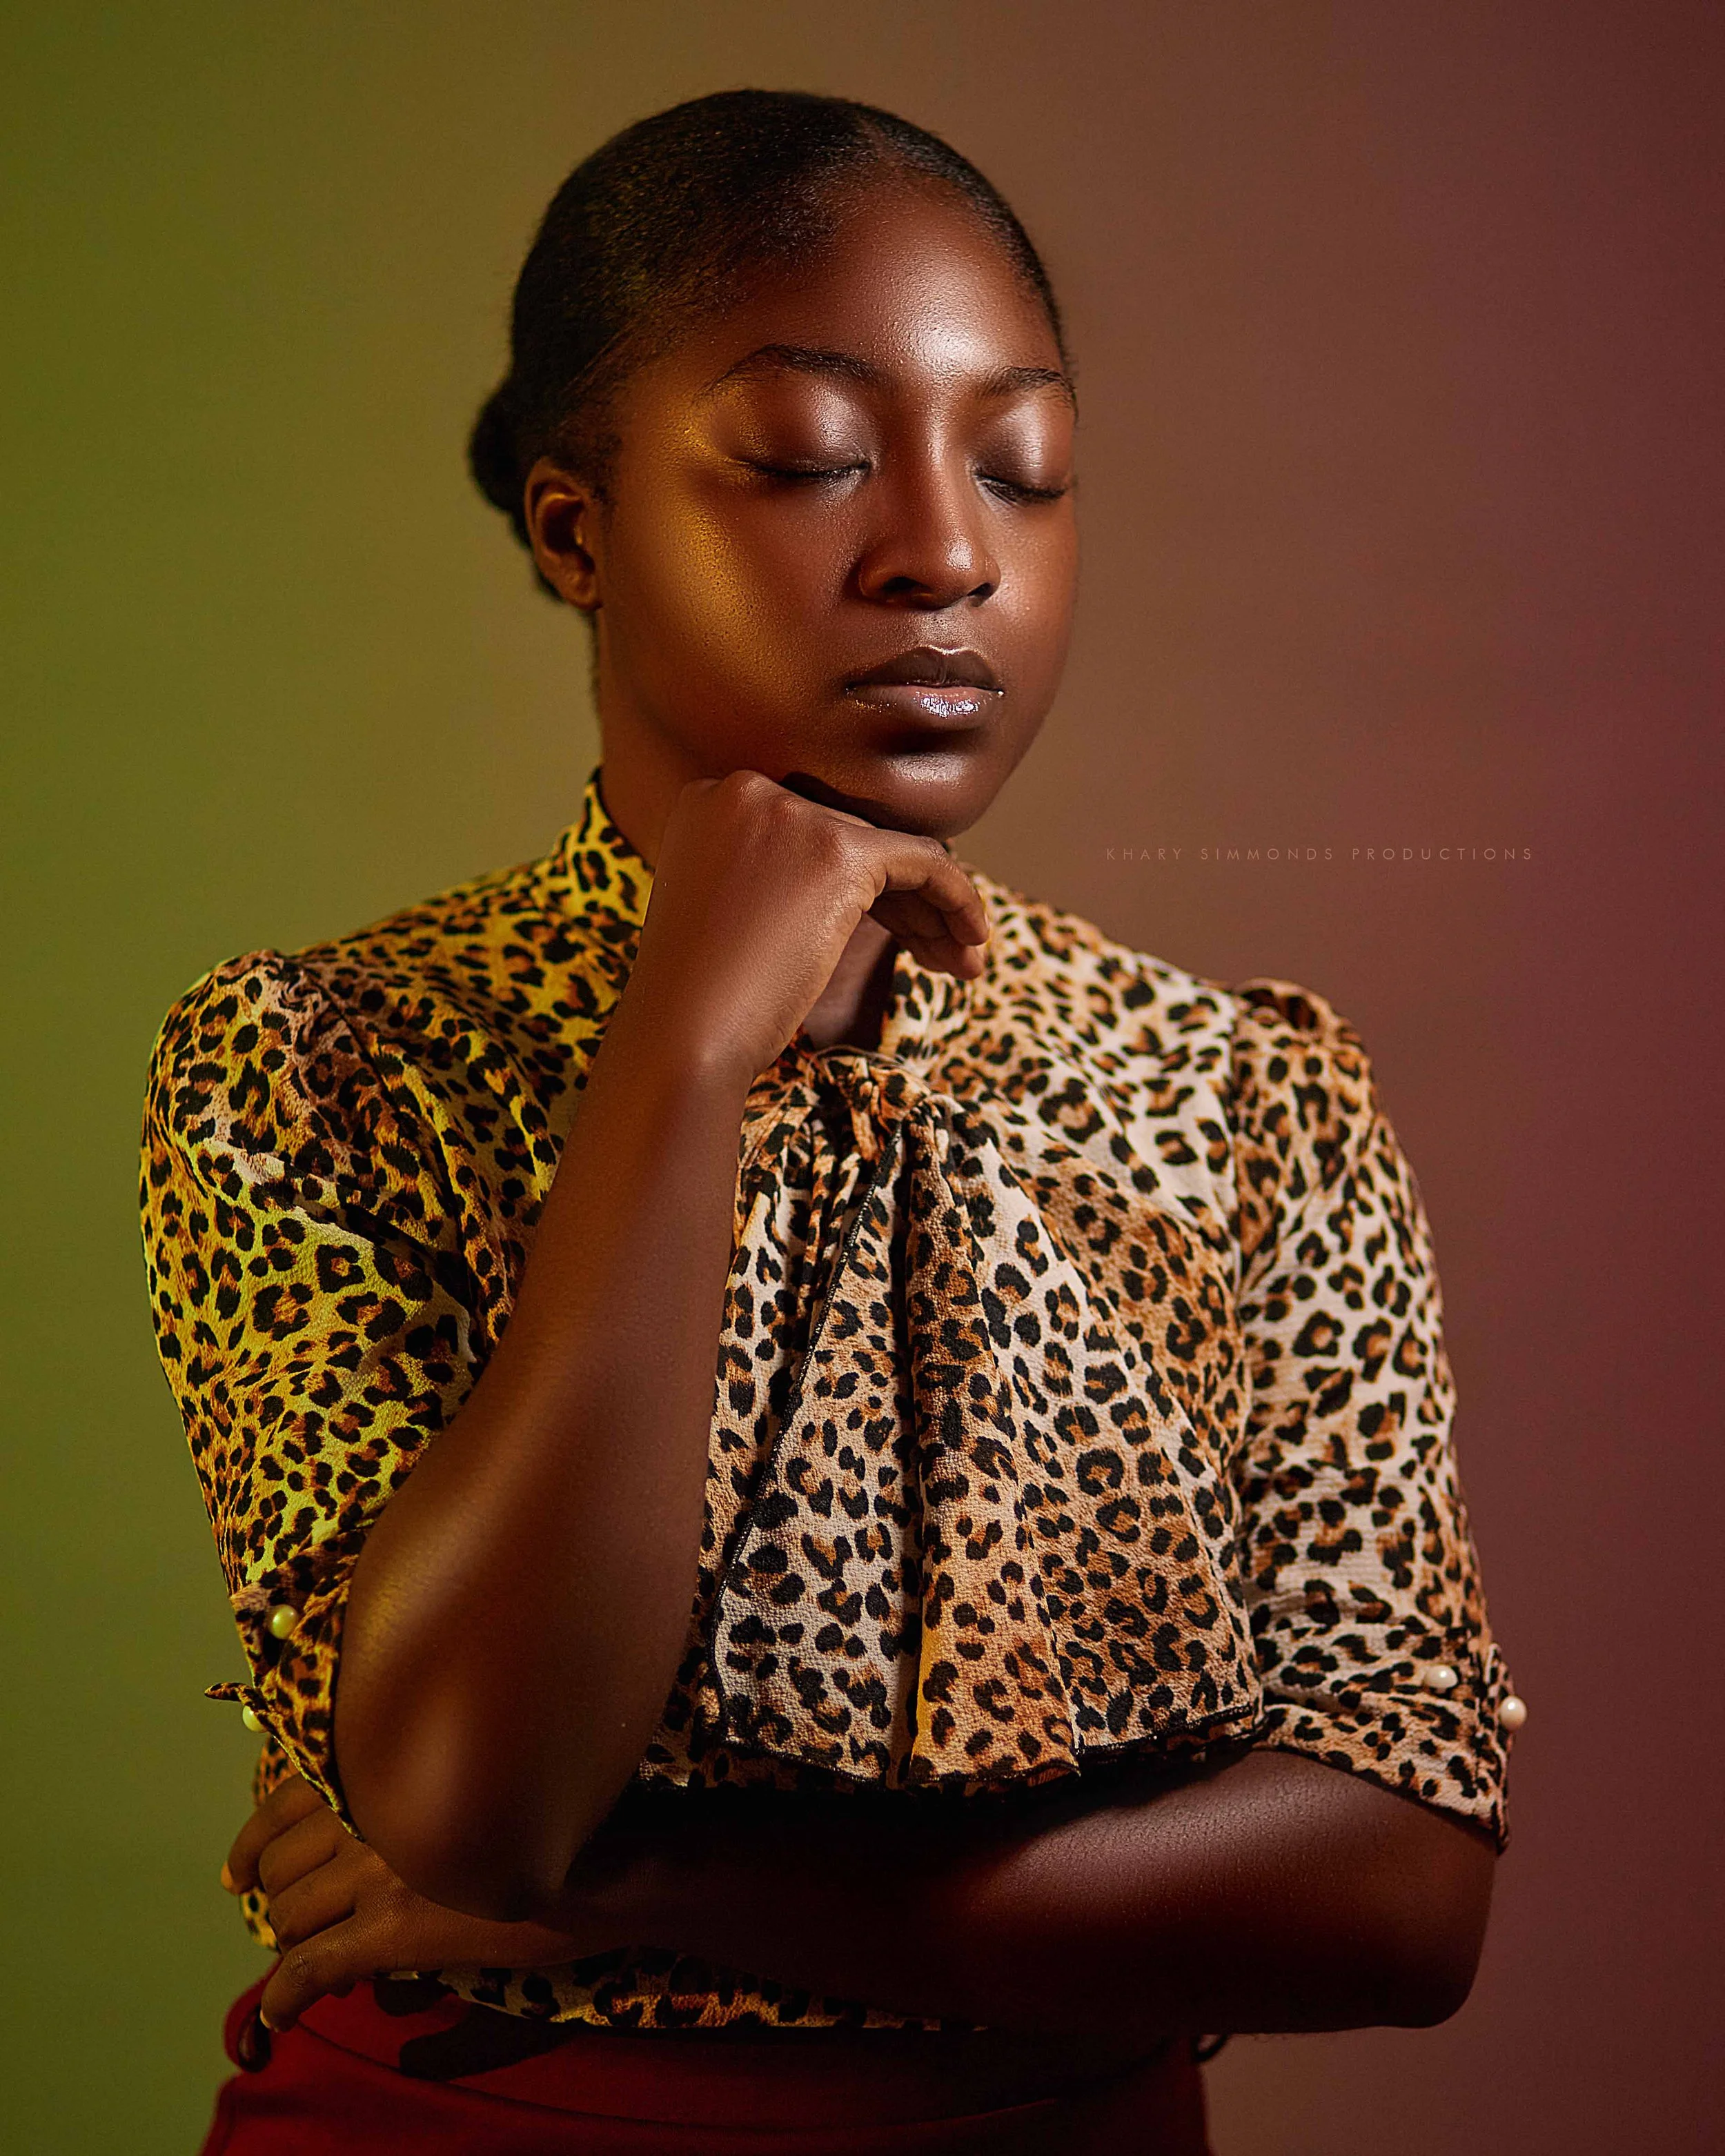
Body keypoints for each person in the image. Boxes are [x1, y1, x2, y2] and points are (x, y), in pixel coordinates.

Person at [141, 88, 1524, 2156]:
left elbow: (1405, 1895)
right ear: (572, 528)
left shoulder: (1249, 1094)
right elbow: (481, 1789)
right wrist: (684, 1041)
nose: (947, 552)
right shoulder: (323, 1061)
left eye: (1026, 469)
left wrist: (646, 1892)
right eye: (807, 459)